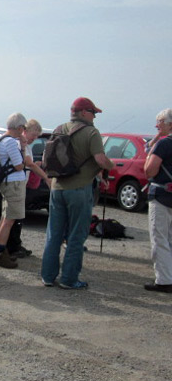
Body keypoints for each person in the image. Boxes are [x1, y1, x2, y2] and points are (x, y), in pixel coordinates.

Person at [41, 97, 114, 289]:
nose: (94, 117)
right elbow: (100, 159)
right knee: (76, 235)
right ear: (83, 112)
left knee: (53, 234)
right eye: (93, 112)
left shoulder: (58, 129)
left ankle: (48, 276)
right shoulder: (91, 133)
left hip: (57, 188)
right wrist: (111, 165)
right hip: (79, 189)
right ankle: (69, 279)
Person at [7, 119, 52, 259]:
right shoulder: (21, 145)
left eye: (37, 136)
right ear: (25, 131)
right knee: (14, 217)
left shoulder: (26, 146)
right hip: (16, 184)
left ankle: (16, 244)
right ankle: (12, 247)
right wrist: (45, 177)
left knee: (18, 216)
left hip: (21, 184)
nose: (35, 138)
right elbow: (29, 164)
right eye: (34, 135)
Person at [0, 113, 28, 269]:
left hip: (6, 182)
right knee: (9, 220)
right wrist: (24, 148)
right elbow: (20, 165)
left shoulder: (0, 140)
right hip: (13, 183)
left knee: (5, 217)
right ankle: (1, 253)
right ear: (19, 128)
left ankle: (0, 250)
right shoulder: (11, 143)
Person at [143, 108, 172, 293]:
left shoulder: (164, 144)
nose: (157, 125)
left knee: (160, 237)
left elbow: (150, 171)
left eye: (160, 122)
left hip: (161, 196)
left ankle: (164, 280)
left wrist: (148, 156)